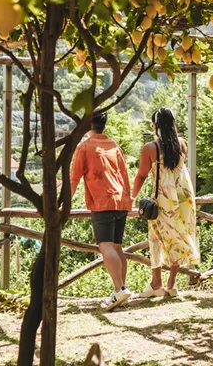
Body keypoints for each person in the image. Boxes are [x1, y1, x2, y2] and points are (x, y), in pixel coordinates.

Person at [132, 108, 199, 298]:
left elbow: (141, 175)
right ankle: (171, 284)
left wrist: (131, 196)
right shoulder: (181, 144)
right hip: (184, 197)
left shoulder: (151, 148)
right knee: (178, 236)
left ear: (155, 125)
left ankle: (156, 283)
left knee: (156, 239)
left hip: (163, 199)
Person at [70, 112, 132, 310]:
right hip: (120, 200)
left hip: (102, 201)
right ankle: (121, 291)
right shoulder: (114, 146)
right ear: (104, 127)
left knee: (105, 246)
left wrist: (63, 205)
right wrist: (128, 200)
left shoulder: (84, 147)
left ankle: (119, 288)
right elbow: (124, 174)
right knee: (117, 246)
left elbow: (74, 179)